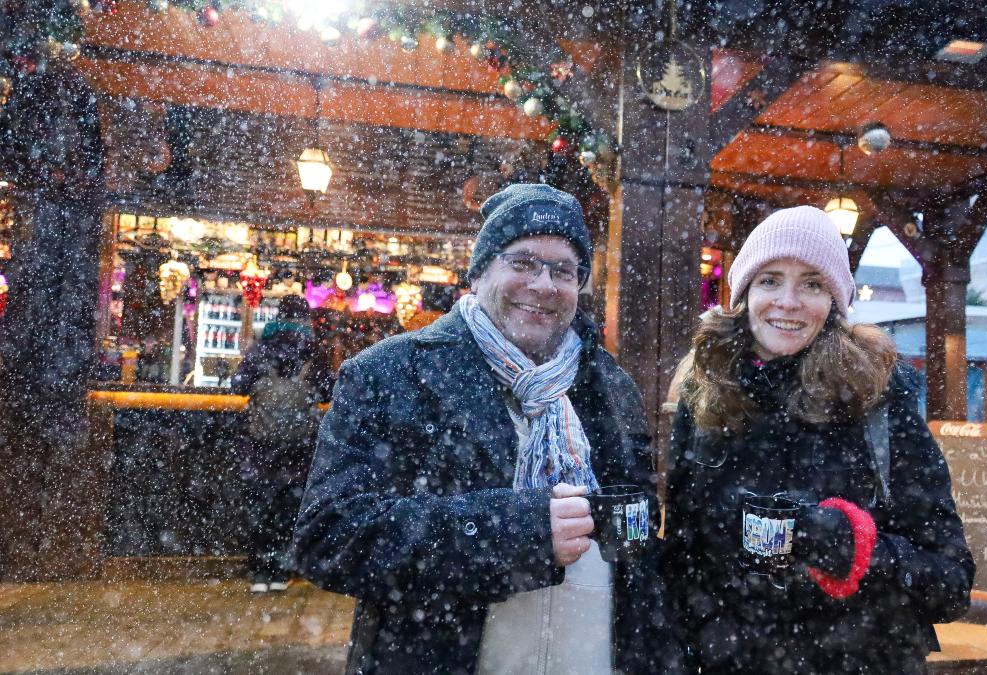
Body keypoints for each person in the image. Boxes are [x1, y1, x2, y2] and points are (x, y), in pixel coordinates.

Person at [292, 184, 681, 674]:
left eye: (563, 271)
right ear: (478, 273)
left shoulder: (610, 386)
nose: (543, 284)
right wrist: (517, 530)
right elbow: (329, 537)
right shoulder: (390, 373)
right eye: (523, 262)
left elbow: (637, 544)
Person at [661, 206, 975, 674]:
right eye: (770, 280)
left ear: (835, 302)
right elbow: (684, 556)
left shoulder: (878, 398)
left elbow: (951, 583)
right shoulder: (705, 391)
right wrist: (699, 635)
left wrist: (845, 545)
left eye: (812, 284)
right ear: (744, 293)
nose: (788, 302)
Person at [232, 294, 331, 593]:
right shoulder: (313, 349)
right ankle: (280, 571)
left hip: (261, 446)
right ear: (305, 318)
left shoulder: (262, 347)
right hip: (299, 446)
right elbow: (329, 390)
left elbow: (238, 385)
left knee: (260, 506)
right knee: (289, 508)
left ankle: (258, 573)